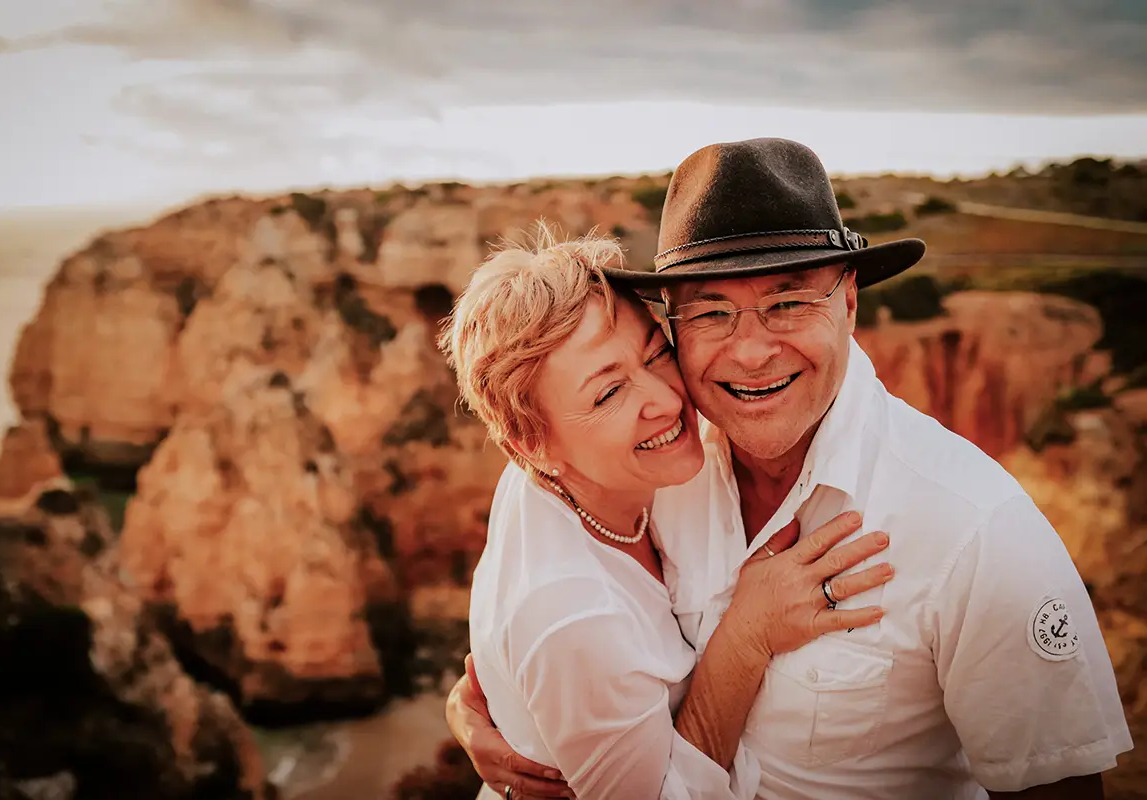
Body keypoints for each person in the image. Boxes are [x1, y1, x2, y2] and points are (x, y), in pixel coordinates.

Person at [447, 138, 1134, 799]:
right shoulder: (655, 456)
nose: (750, 353)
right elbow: (544, 540)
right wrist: (512, 719)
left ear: (851, 302)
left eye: (788, 302)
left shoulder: (977, 531)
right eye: (711, 311)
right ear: (675, 325)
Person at [436, 223, 898, 800]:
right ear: (532, 445)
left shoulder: (569, 468)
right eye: (608, 394)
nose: (665, 399)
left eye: (655, 355)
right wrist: (747, 635)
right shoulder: (571, 615)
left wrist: (493, 702)